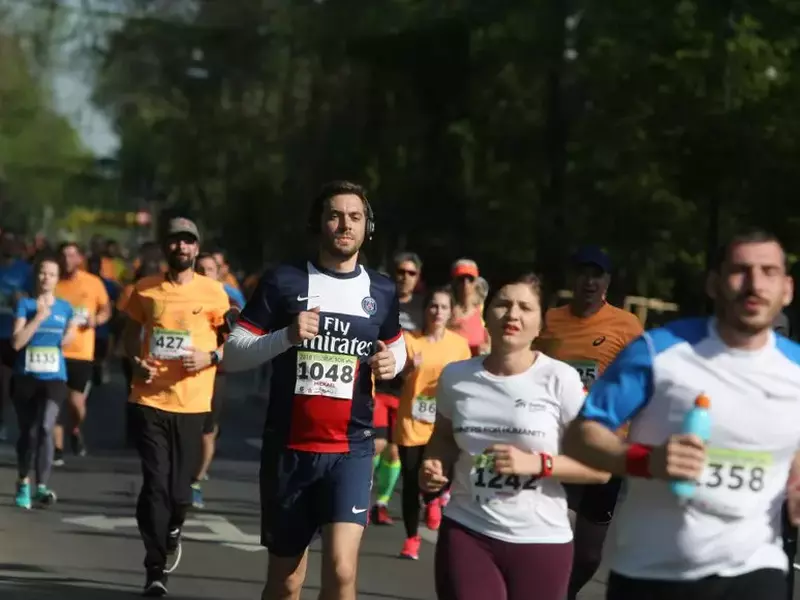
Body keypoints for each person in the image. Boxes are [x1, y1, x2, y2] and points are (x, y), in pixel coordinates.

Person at [563, 229, 800, 600]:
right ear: (713, 284)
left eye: (768, 271)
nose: (755, 284)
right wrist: (646, 460)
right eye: (740, 270)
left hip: (756, 570)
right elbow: (579, 436)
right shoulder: (657, 352)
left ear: (787, 289)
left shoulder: (795, 369)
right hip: (653, 573)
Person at [222, 180, 406, 600]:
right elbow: (233, 355)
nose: (345, 224)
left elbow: (397, 348)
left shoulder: (381, 290)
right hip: (289, 450)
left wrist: (391, 363)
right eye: (335, 215)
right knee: (287, 582)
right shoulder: (283, 281)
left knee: (342, 572)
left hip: (351, 450)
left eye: (355, 217)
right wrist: (286, 335)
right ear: (318, 223)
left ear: (366, 227)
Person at [420, 273, 610, 600]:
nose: (513, 315)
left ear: (540, 324)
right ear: (486, 314)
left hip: (541, 540)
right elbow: (443, 438)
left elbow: (600, 467)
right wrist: (433, 465)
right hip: (468, 529)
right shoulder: (457, 376)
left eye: (525, 307)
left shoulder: (559, 379)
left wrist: (537, 463)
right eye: (503, 304)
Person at [122, 218, 230, 596]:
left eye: (188, 242)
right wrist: (136, 362)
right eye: (175, 242)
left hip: (192, 403)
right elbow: (128, 336)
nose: (181, 248)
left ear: (196, 249)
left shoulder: (215, 293)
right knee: (155, 485)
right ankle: (154, 569)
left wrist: (211, 357)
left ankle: (172, 527)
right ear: (165, 248)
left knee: (179, 494)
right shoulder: (145, 289)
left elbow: (236, 341)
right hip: (149, 399)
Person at [535, 245, 643, 599]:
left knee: (588, 554)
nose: (589, 281)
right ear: (572, 278)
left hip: (604, 449)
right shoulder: (548, 321)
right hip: (556, 444)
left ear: (607, 282)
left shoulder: (627, 326)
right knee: (548, 537)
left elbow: (642, 380)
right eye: (583, 272)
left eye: (597, 274)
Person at [395, 286, 471, 559]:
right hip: (411, 421)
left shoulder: (459, 345)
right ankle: (412, 538)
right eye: (433, 306)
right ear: (425, 310)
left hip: (443, 421)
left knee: (441, 472)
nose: (438, 312)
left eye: (444, 307)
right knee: (412, 480)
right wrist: (407, 369)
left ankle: (436, 498)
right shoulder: (409, 340)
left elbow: (466, 384)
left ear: (451, 312)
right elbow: (393, 377)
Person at [11, 253, 76, 508]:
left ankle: (42, 486)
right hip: (26, 376)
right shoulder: (25, 306)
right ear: (35, 276)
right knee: (27, 432)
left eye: (51, 274)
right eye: (42, 273)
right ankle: (23, 481)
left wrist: (70, 334)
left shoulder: (65, 307)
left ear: (57, 279)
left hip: (54, 377)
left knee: (47, 426)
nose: (45, 277)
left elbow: (70, 331)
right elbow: (17, 342)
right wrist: (38, 317)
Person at [371, 251, 426, 526]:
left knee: (394, 451)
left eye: (411, 273)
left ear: (418, 278)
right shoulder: (382, 300)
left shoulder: (422, 308)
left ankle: (380, 503)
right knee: (376, 444)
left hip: (407, 391)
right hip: (378, 386)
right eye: (401, 272)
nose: (405, 277)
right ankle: (357, 494)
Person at [190, 252, 243, 508]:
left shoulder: (228, 299)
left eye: (209, 269)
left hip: (214, 372)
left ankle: (195, 482)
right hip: (183, 371)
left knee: (206, 431)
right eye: (199, 268)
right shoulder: (181, 295)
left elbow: (238, 337)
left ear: (218, 273)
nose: (203, 273)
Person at [54, 241, 111, 462]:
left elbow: (106, 309)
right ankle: (57, 449)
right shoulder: (52, 282)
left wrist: (96, 320)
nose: (67, 260)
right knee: (55, 401)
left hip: (81, 352)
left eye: (71, 255)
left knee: (76, 404)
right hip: (54, 350)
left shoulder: (93, 283)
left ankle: (75, 429)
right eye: (63, 255)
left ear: (79, 259)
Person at [0, 229, 33, 441]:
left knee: (13, 383)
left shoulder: (27, 271)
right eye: (5, 243)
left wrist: (23, 299)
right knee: (2, 380)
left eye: (13, 243)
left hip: (16, 334)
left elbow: (35, 297)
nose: (9, 247)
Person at [449, 258, 489, 356]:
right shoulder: (445, 309)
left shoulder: (482, 308)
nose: (465, 284)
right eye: (461, 279)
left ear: (475, 283)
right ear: (454, 282)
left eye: (470, 279)